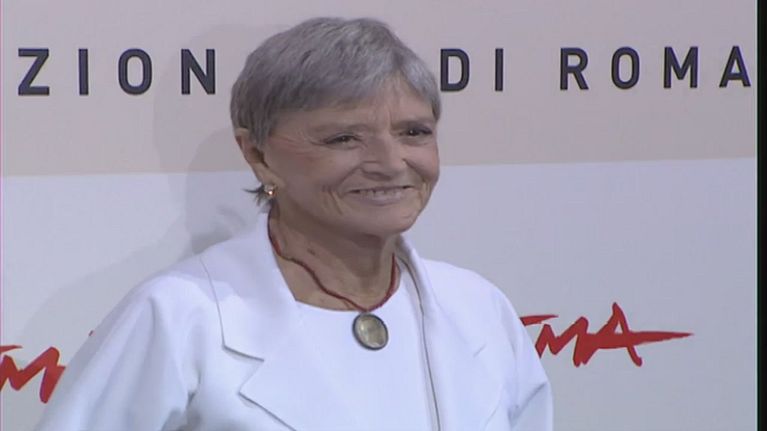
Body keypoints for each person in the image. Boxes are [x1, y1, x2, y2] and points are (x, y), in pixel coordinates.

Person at [36, 17, 552, 431]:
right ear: (258, 155)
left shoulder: (480, 308)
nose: (391, 163)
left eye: (414, 132)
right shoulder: (177, 317)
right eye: (344, 139)